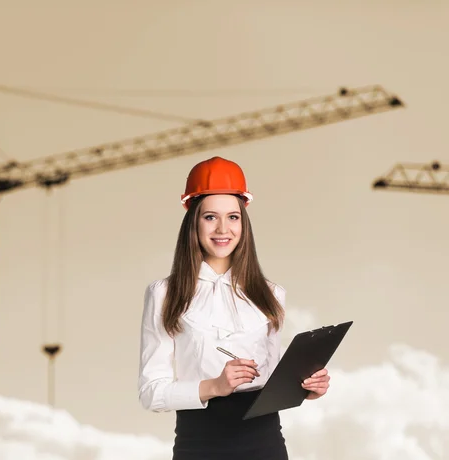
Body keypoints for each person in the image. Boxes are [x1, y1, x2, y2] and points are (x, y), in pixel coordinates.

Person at [137, 156, 331, 460]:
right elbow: (151, 393)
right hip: (198, 445)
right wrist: (214, 386)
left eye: (233, 217)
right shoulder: (165, 293)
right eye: (210, 217)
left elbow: (272, 380)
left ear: (244, 222)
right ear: (194, 222)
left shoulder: (270, 294)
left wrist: (306, 388)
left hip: (264, 443)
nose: (223, 229)